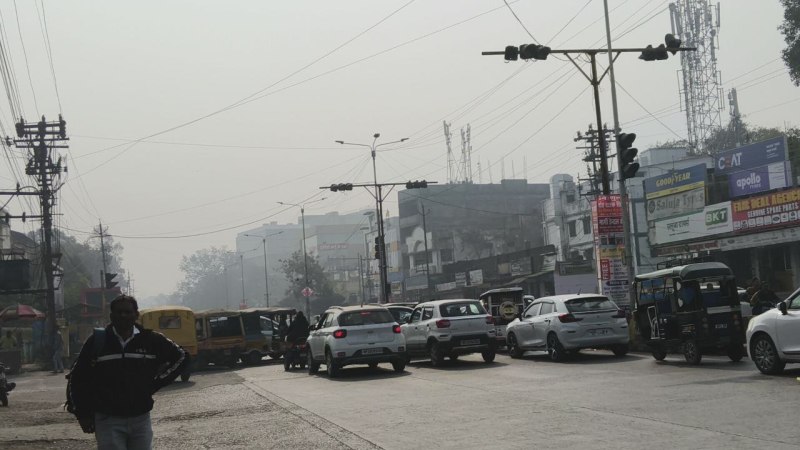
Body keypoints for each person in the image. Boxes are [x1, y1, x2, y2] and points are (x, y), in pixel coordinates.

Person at [67, 295, 187, 450]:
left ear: (136, 315)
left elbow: (182, 356)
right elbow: (77, 378)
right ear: (112, 316)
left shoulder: (150, 339)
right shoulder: (97, 341)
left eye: (127, 312)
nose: (123, 315)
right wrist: (82, 414)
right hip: (107, 419)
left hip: (141, 418)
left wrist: (157, 383)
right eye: (119, 312)